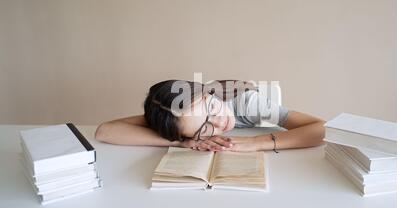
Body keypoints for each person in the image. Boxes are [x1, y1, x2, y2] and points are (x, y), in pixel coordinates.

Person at [95, 79, 325, 152]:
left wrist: (256, 142)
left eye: (213, 108)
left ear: (208, 93)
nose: (219, 121)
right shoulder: (177, 118)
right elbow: (105, 131)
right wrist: (181, 141)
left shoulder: (249, 103)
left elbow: (323, 129)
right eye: (204, 129)